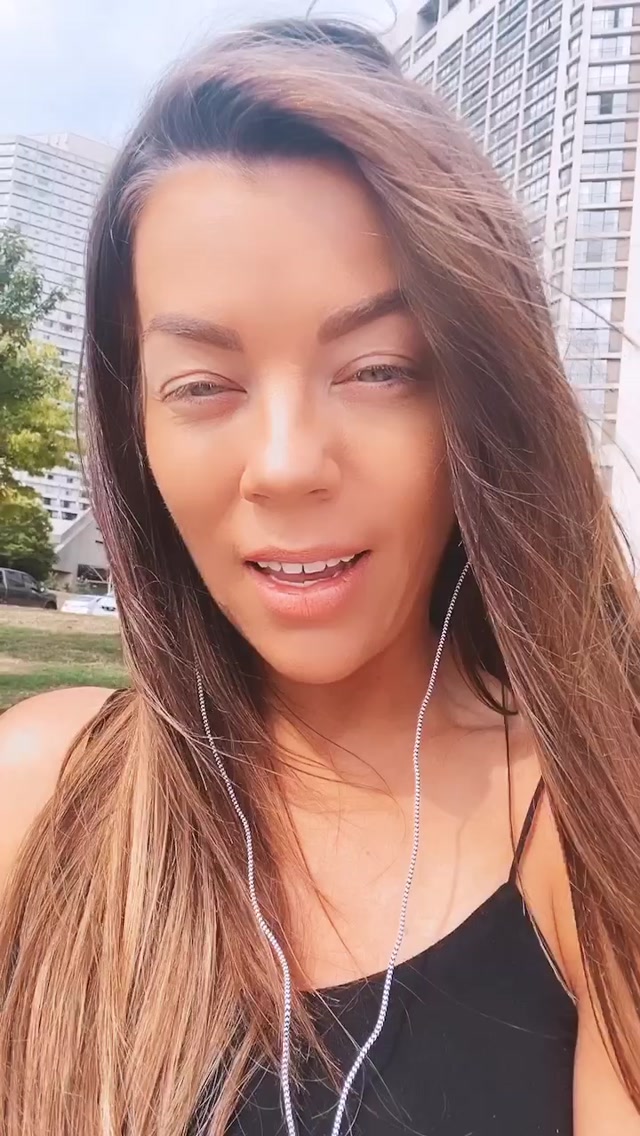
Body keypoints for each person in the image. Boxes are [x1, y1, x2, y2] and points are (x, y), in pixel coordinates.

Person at [1, 17, 639, 1136]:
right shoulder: (41, 793)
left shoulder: (593, 824)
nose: (288, 464)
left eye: (378, 369)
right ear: (136, 427)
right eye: (204, 385)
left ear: (479, 401)